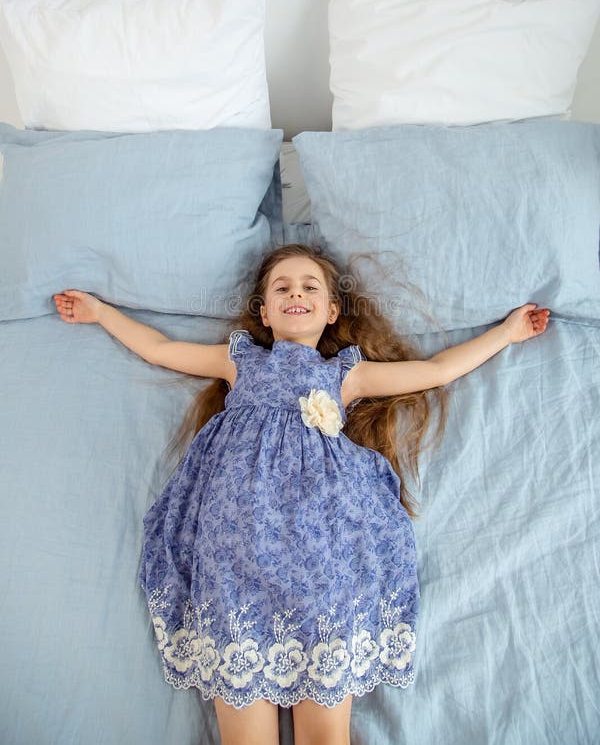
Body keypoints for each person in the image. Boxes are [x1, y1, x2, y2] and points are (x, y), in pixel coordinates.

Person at [53, 243, 550, 745]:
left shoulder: (345, 375)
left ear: (332, 311)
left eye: (310, 287)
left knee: (326, 737)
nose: (296, 294)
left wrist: (507, 333)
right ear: (264, 313)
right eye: (282, 288)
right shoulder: (239, 362)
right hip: (236, 564)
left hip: (322, 567)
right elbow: (159, 349)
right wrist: (100, 313)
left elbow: (437, 370)